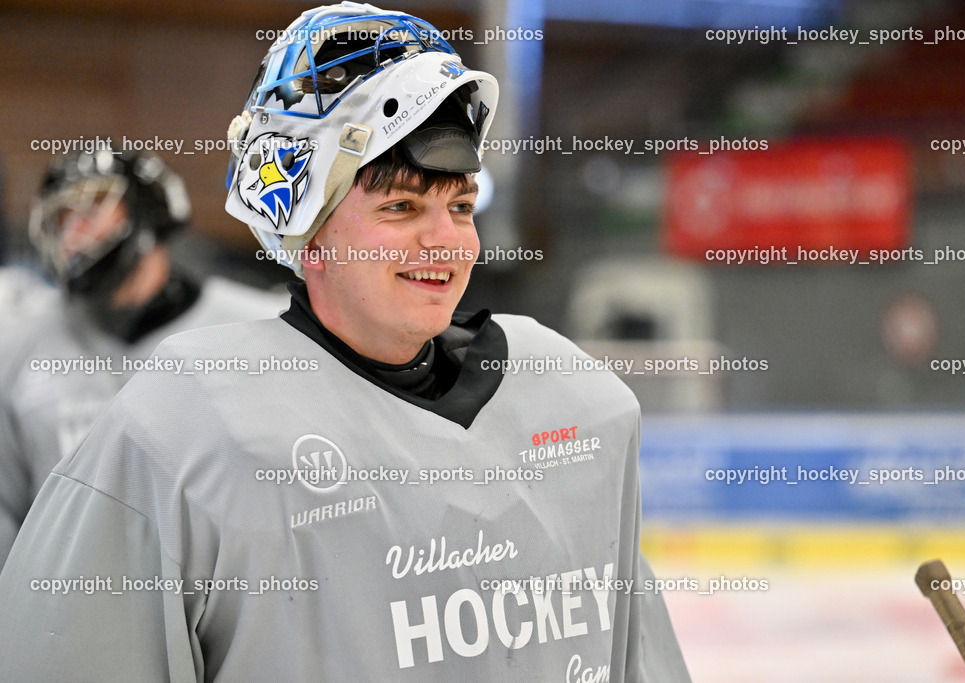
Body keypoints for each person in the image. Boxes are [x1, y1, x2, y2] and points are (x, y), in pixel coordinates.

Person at [0, 4, 690, 680]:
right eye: (400, 207)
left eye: (459, 205)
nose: (447, 240)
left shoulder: (582, 403)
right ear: (306, 227)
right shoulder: (183, 426)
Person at [0, 147, 288, 567]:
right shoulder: (19, 342)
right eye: (62, 217)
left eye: (93, 207)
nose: (74, 231)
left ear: (147, 210)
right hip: (64, 601)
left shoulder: (259, 331)